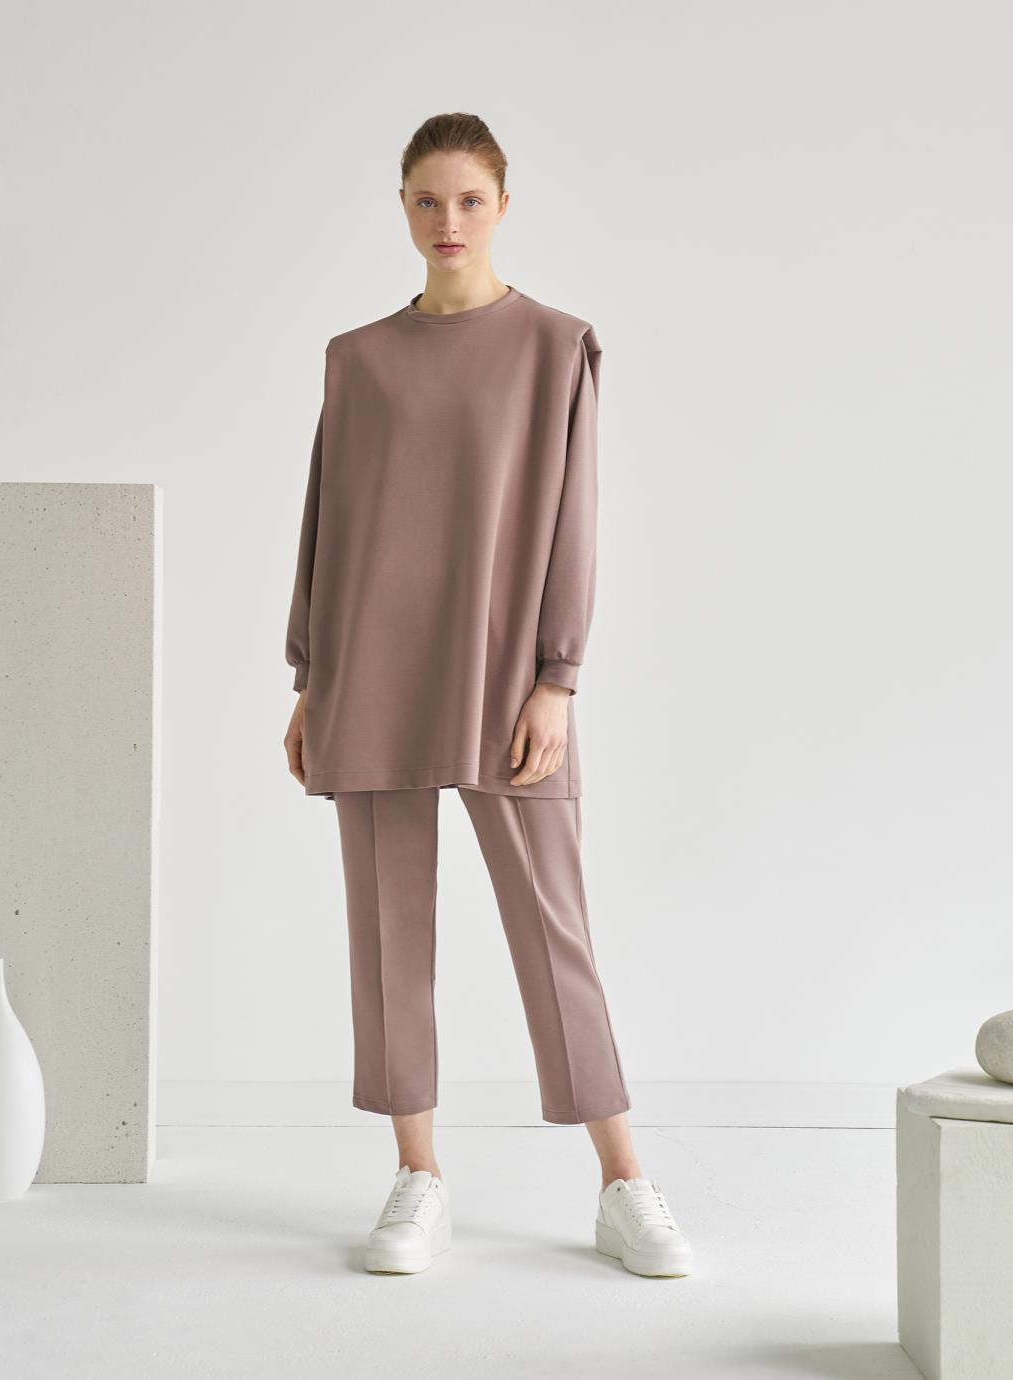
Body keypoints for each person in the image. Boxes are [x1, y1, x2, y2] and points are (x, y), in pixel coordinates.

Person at [282, 112, 693, 1279]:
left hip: (507, 676)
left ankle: (624, 1180)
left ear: (503, 206)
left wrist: (559, 677)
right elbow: (327, 522)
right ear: (402, 208)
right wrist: (309, 674)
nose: (447, 221)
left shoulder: (557, 347)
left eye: (468, 200)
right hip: (369, 670)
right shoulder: (357, 359)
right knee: (386, 936)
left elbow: (574, 519)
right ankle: (417, 1175)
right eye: (427, 200)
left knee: (555, 932)